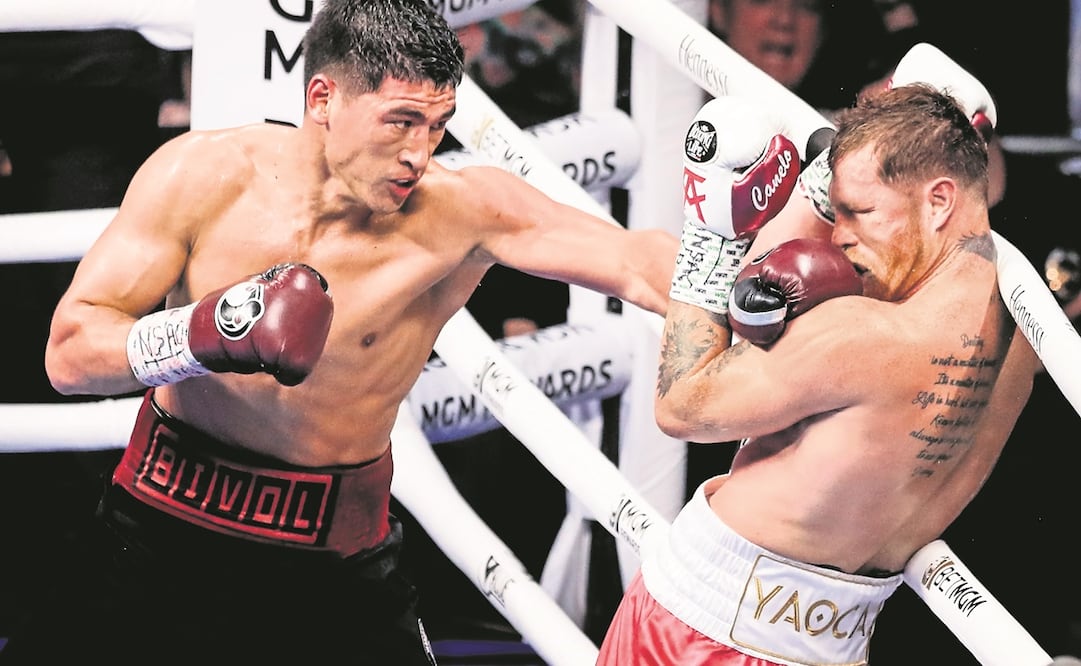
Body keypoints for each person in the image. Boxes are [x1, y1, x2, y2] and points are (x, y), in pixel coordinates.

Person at [0, 0, 678, 663]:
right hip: (155, 529)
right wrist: (204, 334)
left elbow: (636, 264)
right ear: (323, 98)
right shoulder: (202, 175)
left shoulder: (464, 211)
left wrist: (743, 276)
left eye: (436, 126)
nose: (419, 153)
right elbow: (70, 354)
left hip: (331, 566)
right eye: (400, 122)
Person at [595, 80, 1042, 664]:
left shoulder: (860, 331)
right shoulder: (1027, 337)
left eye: (858, 211)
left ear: (938, 201)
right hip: (834, 646)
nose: (839, 236)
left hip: (698, 632)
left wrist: (708, 234)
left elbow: (681, 407)